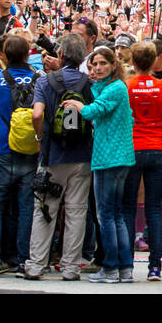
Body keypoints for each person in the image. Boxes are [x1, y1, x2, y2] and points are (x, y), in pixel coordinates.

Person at [25, 32, 93, 281]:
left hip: (53, 154)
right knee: (76, 211)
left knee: (44, 209)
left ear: (60, 54)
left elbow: (36, 115)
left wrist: (40, 138)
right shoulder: (88, 83)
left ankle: (35, 265)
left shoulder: (45, 82)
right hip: (82, 154)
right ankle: (71, 267)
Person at [64, 46, 134, 283]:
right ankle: (124, 269)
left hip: (108, 158)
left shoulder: (116, 88)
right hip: (119, 157)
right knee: (116, 215)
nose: (97, 68)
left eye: (103, 63)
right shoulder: (115, 87)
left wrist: (75, 105)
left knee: (106, 216)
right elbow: (98, 96)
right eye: (94, 65)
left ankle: (111, 268)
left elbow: (94, 110)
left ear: (114, 65)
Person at [0, 34, 40, 276]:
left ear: (3, 54)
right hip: (30, 149)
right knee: (27, 206)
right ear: (28, 53)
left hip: (3, 148)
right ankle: (24, 258)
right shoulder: (39, 78)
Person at [122, 40, 162, 281]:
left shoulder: (126, 86)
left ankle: (127, 265)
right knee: (154, 208)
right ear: (154, 61)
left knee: (129, 208)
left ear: (132, 62)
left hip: (132, 149)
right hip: (156, 149)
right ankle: (155, 267)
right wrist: (155, 124)